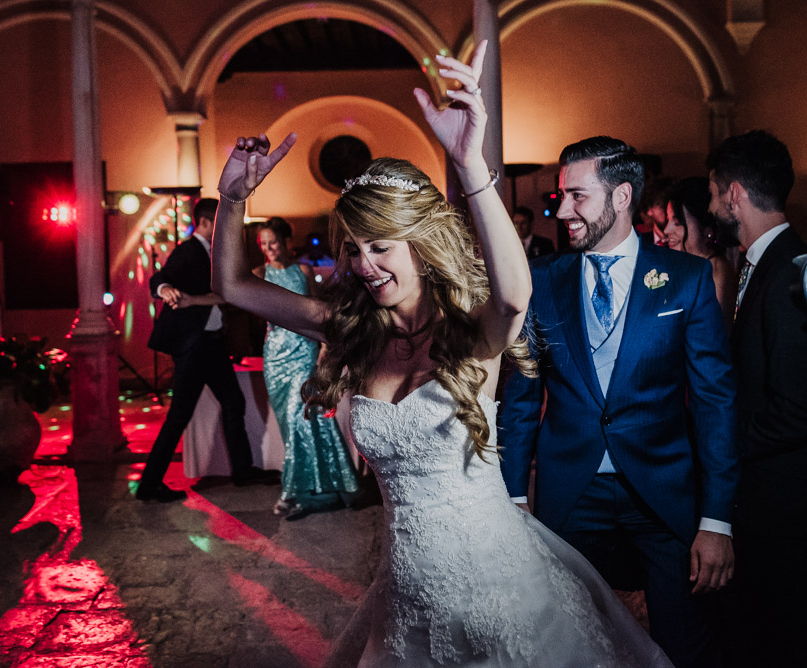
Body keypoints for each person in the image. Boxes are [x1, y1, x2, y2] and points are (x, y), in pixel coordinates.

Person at [211, 42, 671, 667]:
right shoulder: (350, 330)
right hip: (406, 588)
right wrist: (233, 200)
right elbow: (234, 287)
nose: (364, 265)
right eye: (353, 249)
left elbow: (513, 296)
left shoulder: (469, 334)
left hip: (497, 582)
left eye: (381, 247)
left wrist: (470, 163)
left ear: (421, 246)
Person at [498, 135, 738, 668]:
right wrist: (513, 498)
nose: (562, 210)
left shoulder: (687, 279)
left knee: (682, 642)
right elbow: (519, 398)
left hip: (665, 493)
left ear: (622, 196)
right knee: (568, 643)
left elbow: (714, 401)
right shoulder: (541, 281)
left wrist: (716, 520)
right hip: (569, 491)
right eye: (561, 196)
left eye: (577, 196)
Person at [706, 130, 807, 667]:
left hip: (782, 515)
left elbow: (797, 408)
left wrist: (724, 444)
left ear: (734, 195)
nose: (710, 206)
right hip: (763, 510)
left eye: (712, 193)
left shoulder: (792, 272)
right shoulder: (760, 264)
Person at [139, 198, 272, 502]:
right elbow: (158, 278)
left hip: (212, 344)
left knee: (233, 402)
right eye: (221, 224)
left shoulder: (216, 253)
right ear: (205, 224)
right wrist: (164, 290)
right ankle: (149, 484)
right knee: (179, 415)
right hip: (193, 345)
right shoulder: (188, 251)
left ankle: (241, 470)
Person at [253, 217, 359, 520]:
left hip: (303, 354)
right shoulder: (259, 274)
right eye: (263, 243)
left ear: (286, 242)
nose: (268, 248)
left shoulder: (303, 270)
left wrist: (324, 348)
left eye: (272, 242)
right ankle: (324, 489)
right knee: (292, 428)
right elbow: (231, 294)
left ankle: (293, 493)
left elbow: (317, 313)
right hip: (275, 358)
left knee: (301, 418)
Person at [664, 177, 738, 320]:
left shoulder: (716, 274)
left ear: (707, 230)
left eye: (677, 222)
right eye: (668, 220)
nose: (667, 230)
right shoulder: (685, 266)